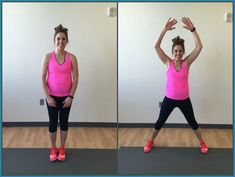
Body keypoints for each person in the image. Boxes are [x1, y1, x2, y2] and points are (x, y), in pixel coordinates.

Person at [144, 17, 208, 154]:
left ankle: (202, 142)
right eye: (175, 51)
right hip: (169, 99)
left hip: (185, 100)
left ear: (183, 52)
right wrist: (164, 30)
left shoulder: (187, 63)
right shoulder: (168, 62)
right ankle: (150, 141)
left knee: (193, 123)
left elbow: (199, 47)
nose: (178, 53)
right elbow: (155, 46)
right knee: (160, 122)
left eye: (180, 51)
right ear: (173, 52)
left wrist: (193, 30)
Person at [41, 24, 79, 161]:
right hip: (51, 97)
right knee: (52, 123)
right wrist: (47, 96)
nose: (60, 41)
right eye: (58, 39)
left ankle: (62, 147)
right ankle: (53, 147)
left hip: (66, 98)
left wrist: (71, 96)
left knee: (64, 123)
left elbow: (76, 79)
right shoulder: (47, 57)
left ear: (67, 41)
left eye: (63, 39)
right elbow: (42, 78)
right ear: (54, 40)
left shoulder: (72, 58)